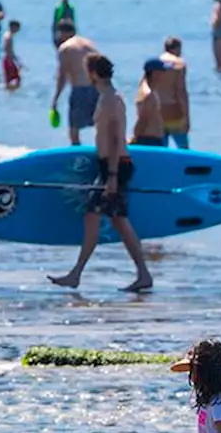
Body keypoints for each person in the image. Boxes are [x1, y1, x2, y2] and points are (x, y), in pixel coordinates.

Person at [47, 53, 153, 293]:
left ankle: (77, 274)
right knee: (117, 221)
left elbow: (116, 139)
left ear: (93, 73)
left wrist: (113, 176)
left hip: (115, 167)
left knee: (97, 217)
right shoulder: (107, 97)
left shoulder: (110, 100)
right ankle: (142, 274)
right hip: (110, 167)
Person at [52, 21, 100, 145]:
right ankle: (103, 151)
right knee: (100, 124)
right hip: (97, 88)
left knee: (74, 129)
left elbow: (62, 76)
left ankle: (77, 155)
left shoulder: (65, 48)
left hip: (80, 90)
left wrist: (55, 99)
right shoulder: (89, 44)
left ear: (63, 33)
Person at [155, 38, 190, 149]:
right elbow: (181, 92)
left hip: (157, 113)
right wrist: (186, 116)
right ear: (176, 48)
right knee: (184, 150)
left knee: (162, 152)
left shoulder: (155, 64)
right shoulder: (179, 64)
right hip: (174, 113)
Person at [131, 59, 167, 146]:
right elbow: (143, 120)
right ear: (155, 73)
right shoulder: (148, 94)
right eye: (162, 71)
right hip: (149, 140)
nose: (163, 75)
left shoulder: (149, 89)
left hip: (152, 139)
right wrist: (134, 138)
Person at [3, 20, 23, 91]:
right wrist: (11, 60)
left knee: (13, 78)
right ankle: (10, 93)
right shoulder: (8, 36)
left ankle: (10, 92)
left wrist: (16, 59)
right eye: (18, 28)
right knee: (15, 78)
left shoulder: (8, 35)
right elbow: (6, 48)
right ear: (13, 27)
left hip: (8, 59)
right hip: (8, 59)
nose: (18, 30)